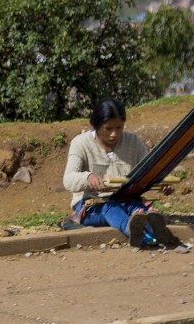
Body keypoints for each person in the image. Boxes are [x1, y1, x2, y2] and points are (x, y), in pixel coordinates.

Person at [62, 97, 174, 248]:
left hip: (127, 200)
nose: (114, 134)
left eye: (119, 128)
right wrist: (87, 177)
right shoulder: (80, 143)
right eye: (108, 129)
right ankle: (132, 228)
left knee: (137, 209)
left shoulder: (133, 142)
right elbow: (68, 179)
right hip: (92, 206)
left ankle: (149, 225)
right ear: (96, 125)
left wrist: (161, 183)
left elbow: (150, 170)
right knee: (110, 206)